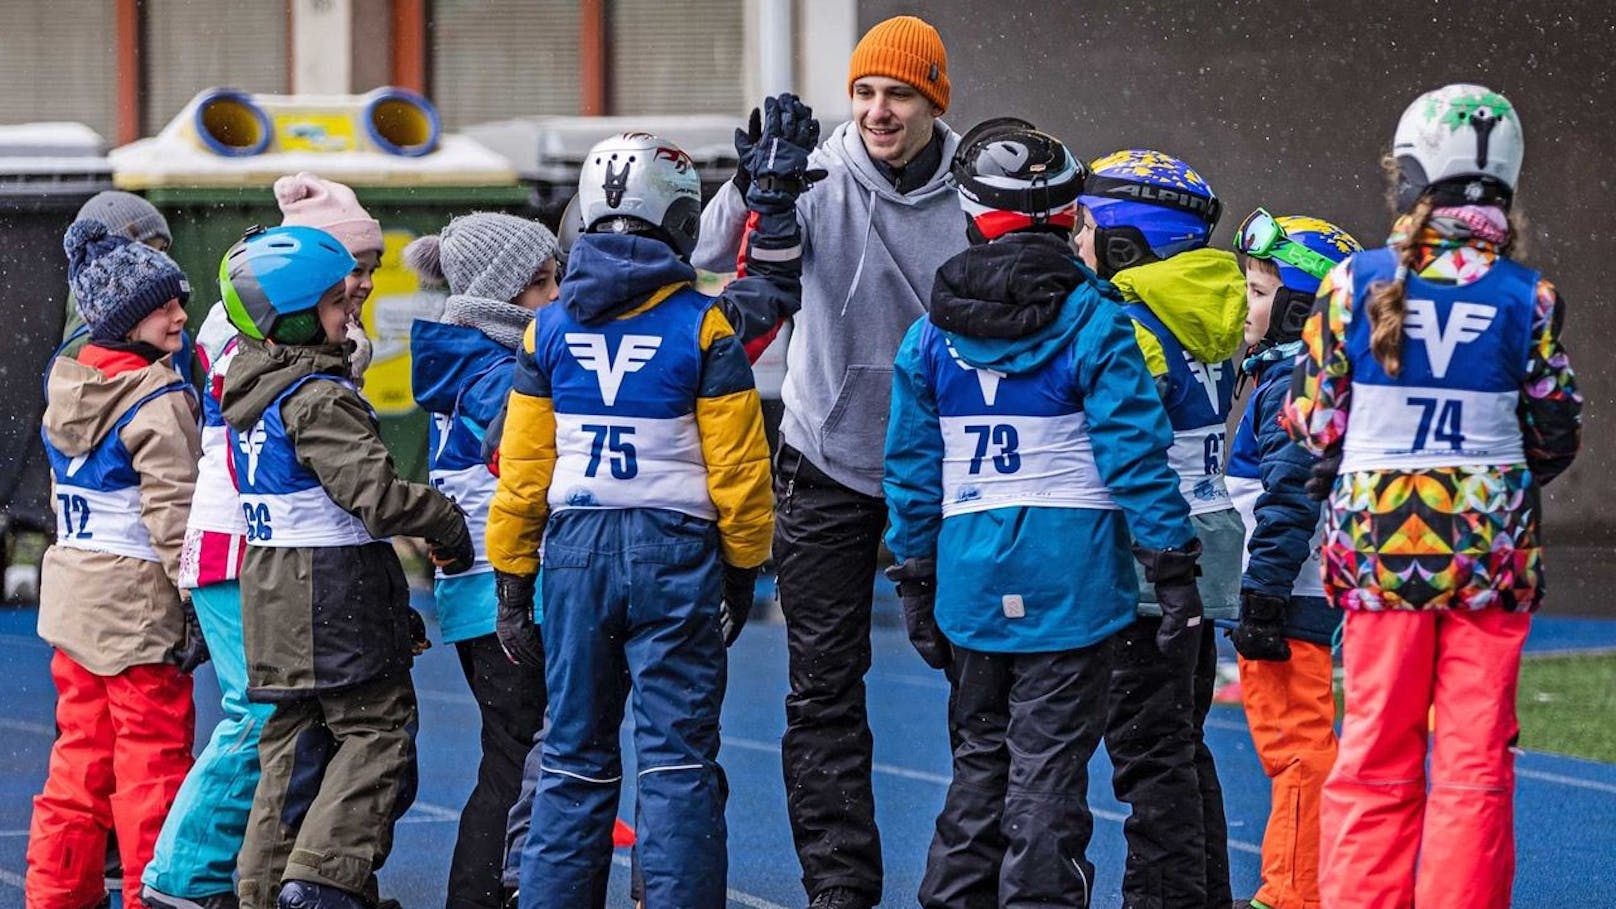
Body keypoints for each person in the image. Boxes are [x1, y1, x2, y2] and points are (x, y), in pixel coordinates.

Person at [884, 119, 1209, 909]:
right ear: (1068, 219)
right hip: (1073, 583)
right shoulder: (1099, 322)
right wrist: (1172, 568)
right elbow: (1136, 452)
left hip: (968, 575)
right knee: (1047, 776)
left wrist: (916, 579)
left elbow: (911, 471)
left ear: (972, 216)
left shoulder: (928, 337)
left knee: (980, 765)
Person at [485, 124, 807, 908]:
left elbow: (524, 474)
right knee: (678, 760)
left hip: (573, 553)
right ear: (682, 223)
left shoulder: (548, 328)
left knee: (570, 754)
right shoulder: (704, 326)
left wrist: (510, 582)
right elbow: (740, 473)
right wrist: (740, 572)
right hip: (677, 555)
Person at [1286, 84, 1581, 909]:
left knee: (1375, 755)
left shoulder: (1352, 283)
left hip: (1381, 555)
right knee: (1476, 763)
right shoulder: (1531, 296)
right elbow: (1558, 427)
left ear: (1413, 178)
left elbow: (1313, 422)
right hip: (1491, 554)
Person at [691, 16, 963, 907]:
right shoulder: (812, 171)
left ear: (934, 100)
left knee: (981, 678)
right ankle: (839, 887)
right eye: (865, 93)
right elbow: (701, 251)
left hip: (955, 469)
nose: (879, 111)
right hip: (825, 458)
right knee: (822, 690)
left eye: (899, 94)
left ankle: (973, 879)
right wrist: (750, 182)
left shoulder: (974, 187)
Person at [141, 173, 388, 909]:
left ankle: (271, 874)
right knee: (260, 712)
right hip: (238, 541)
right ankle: (180, 877)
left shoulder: (290, 322)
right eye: (353, 272)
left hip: (272, 545)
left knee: (291, 717)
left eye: (370, 270)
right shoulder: (252, 325)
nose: (365, 286)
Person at [219, 225, 474, 909]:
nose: (351, 310)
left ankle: (264, 890)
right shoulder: (318, 397)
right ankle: (324, 881)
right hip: (328, 594)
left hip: (272, 596)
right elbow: (376, 498)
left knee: (293, 746)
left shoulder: (250, 391)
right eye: (337, 303)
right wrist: (444, 520)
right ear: (296, 317)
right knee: (377, 731)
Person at [1073, 149, 1243, 908]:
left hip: (1151, 562)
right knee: (1179, 741)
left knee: (1147, 754)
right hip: (1203, 544)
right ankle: (1203, 892)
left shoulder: (1132, 326)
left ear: (1123, 245)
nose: (1074, 240)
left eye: (1084, 227)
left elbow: (1115, 445)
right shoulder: (1203, 310)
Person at [27, 219, 204, 909]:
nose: (181, 316)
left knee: (79, 759)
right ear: (129, 318)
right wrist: (193, 597)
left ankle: (55, 894)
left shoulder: (67, 386)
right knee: (153, 762)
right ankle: (146, 895)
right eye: (165, 306)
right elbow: (175, 515)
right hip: (134, 610)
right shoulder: (157, 398)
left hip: (73, 598)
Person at [405, 212, 561, 909]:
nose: (557, 295)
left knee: (511, 749)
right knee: (520, 753)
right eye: (540, 283)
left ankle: (492, 886)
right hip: (497, 589)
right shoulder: (497, 374)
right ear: (501, 292)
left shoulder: (467, 360)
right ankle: (496, 886)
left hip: (472, 589)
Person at [1225, 211, 1361, 909]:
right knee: (1297, 748)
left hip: (1289, 595)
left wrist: (1263, 593)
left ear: (1299, 308)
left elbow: (1288, 498)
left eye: (1255, 290)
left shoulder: (1291, 386)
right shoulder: (1286, 379)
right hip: (1293, 590)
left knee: (1299, 750)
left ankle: (1296, 893)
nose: (1242, 305)